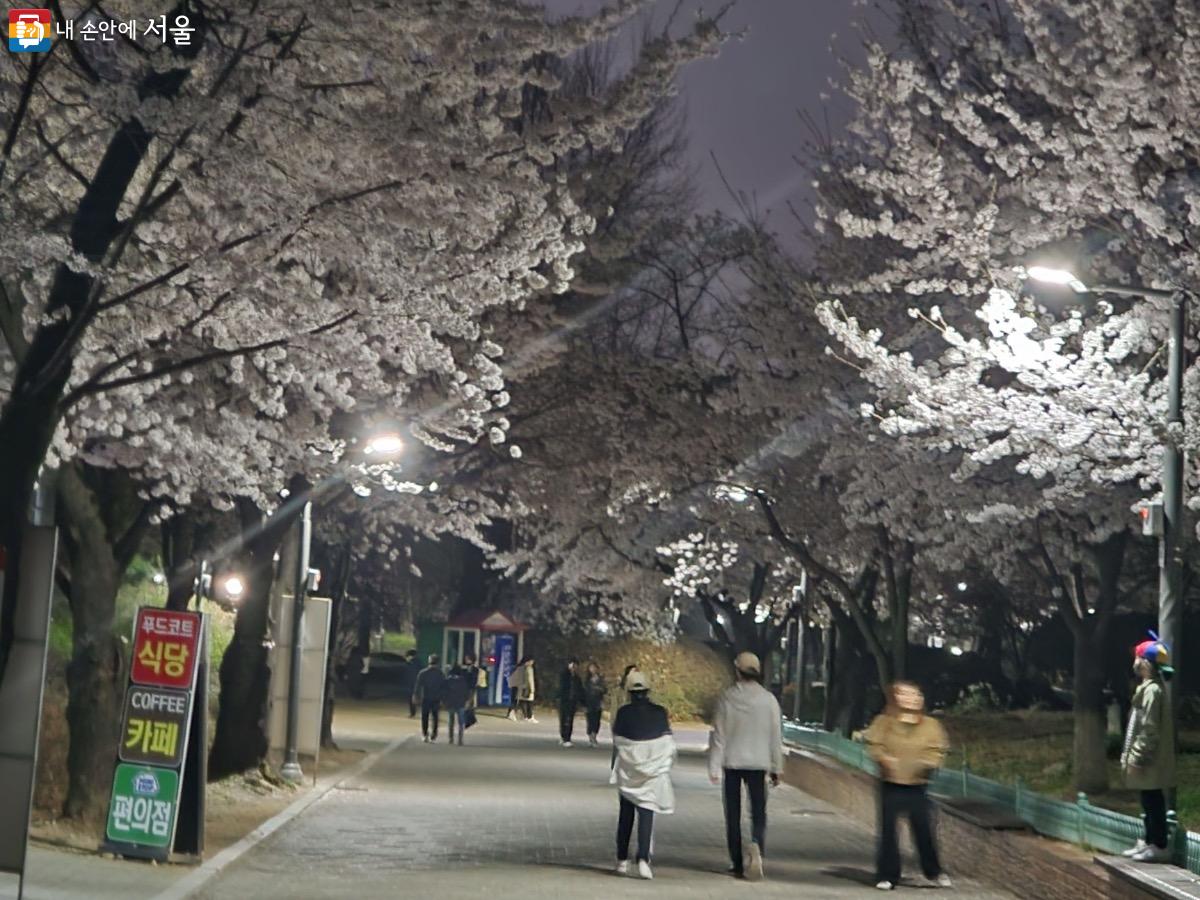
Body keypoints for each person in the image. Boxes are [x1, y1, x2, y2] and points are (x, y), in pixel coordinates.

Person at [865, 681, 952, 891]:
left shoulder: (931, 725)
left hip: (917, 785)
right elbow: (875, 746)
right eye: (904, 694)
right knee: (888, 830)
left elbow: (938, 749)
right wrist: (885, 759)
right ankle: (887, 875)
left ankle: (933, 871)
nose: (911, 698)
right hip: (891, 784)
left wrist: (929, 763)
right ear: (895, 698)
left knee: (923, 828)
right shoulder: (884, 722)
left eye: (915, 694)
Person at [708, 652, 783, 882]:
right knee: (758, 811)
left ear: (737, 671)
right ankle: (757, 845)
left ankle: (737, 861)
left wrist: (714, 766)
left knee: (733, 813)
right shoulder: (769, 700)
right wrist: (776, 766)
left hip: (732, 761)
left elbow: (719, 735)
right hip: (759, 763)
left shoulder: (727, 698)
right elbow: (775, 735)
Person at [611, 671, 676, 880]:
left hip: (629, 771)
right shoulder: (660, 713)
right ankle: (643, 859)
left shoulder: (623, 713)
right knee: (647, 813)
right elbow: (667, 741)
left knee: (626, 814)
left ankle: (622, 859)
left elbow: (618, 741)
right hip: (653, 772)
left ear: (629, 692)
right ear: (648, 691)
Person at [1120, 634, 1176, 863]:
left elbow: (1149, 728)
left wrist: (1137, 756)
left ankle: (1159, 844)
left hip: (1149, 757)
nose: (1134, 661)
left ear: (1144, 662)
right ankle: (1149, 840)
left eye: (1137, 657)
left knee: (1153, 799)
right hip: (1146, 756)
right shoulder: (1148, 688)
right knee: (1147, 797)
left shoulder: (1152, 690)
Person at [414, 654, 446, 743]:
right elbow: (443, 687)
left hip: (426, 697)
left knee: (425, 717)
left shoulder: (423, 672)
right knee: (435, 717)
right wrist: (443, 699)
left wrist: (415, 696)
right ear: (438, 662)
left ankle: (425, 734)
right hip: (436, 698)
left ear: (429, 661)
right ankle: (434, 735)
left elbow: (418, 686)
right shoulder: (440, 673)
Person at [443, 663, 472, 747]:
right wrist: (467, 701)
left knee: (451, 721)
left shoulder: (448, 680)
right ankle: (460, 739)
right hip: (461, 703)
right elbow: (466, 692)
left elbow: (444, 692)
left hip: (451, 703)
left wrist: (444, 701)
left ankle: (450, 738)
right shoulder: (463, 680)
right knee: (461, 722)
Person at [559, 658, 583, 747]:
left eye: (575, 666)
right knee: (563, 719)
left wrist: (582, 701)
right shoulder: (564, 675)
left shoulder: (577, 678)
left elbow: (580, 690)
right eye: (572, 665)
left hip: (573, 701)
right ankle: (563, 736)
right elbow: (560, 687)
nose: (574, 667)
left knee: (570, 719)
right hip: (564, 700)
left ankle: (567, 738)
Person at [583, 661, 607, 747]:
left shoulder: (600, 679)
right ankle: (590, 737)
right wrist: (583, 704)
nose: (593, 669)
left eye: (594, 668)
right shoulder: (586, 680)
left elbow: (605, 690)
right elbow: (583, 691)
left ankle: (594, 735)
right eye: (591, 668)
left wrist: (599, 689)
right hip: (588, 702)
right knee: (590, 720)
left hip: (598, 702)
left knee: (597, 720)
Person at [399, 649, 419, 718]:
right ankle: (413, 712)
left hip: (412, 683)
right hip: (415, 683)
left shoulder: (411, 663)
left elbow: (409, 674)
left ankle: (412, 713)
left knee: (411, 698)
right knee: (412, 698)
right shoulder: (417, 662)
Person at [519, 657, 538, 723]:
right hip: (528, 688)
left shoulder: (522, 668)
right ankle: (530, 716)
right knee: (529, 703)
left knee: (525, 702)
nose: (532, 663)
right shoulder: (528, 669)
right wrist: (531, 689)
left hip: (523, 687)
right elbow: (529, 680)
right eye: (531, 661)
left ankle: (526, 716)